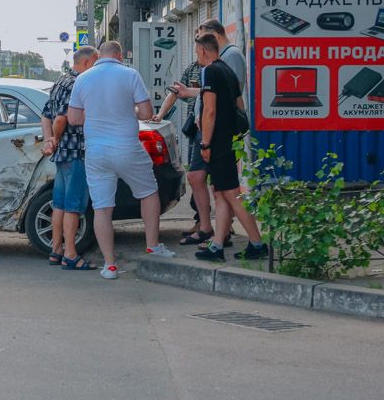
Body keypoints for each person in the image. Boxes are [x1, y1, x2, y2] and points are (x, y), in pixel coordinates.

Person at [68, 41, 175, 280]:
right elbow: (147, 114)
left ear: (99, 56)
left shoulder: (83, 79)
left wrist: (97, 113)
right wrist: (130, 111)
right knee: (148, 192)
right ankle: (152, 245)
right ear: (118, 55)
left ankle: (110, 265)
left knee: (102, 208)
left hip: (96, 151)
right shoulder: (129, 74)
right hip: (127, 147)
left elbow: (74, 118)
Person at [189, 33, 269, 262]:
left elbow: (209, 110)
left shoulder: (210, 71)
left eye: (197, 52)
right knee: (221, 193)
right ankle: (217, 246)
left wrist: (205, 142)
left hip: (217, 143)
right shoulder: (228, 71)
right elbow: (240, 107)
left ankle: (257, 243)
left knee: (232, 194)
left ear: (204, 50)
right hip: (229, 141)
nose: (197, 57)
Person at [151, 33, 215, 245]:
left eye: (198, 47)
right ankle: (201, 223)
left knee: (211, 181)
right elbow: (175, 91)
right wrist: (160, 115)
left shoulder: (217, 68)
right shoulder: (194, 67)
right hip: (196, 130)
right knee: (196, 177)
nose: (196, 52)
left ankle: (218, 226)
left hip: (210, 131)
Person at [40, 46, 98, 268]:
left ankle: (56, 250)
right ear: (86, 63)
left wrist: (50, 141)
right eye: (95, 64)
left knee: (60, 205)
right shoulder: (77, 84)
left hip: (62, 155)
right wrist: (55, 137)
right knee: (74, 206)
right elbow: (61, 120)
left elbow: (46, 115)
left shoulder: (60, 81)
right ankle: (71, 255)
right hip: (76, 152)